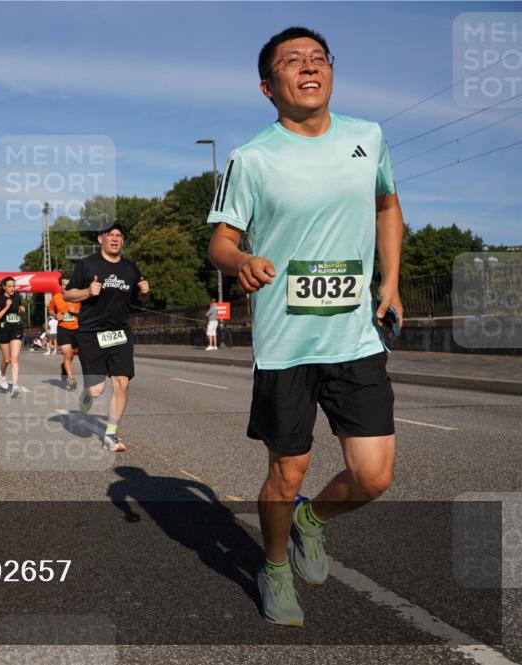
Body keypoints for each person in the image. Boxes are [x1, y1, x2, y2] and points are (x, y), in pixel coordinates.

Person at [207, 26, 403, 628]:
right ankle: (273, 566)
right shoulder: (253, 157)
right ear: (269, 87)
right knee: (286, 471)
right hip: (287, 343)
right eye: (292, 61)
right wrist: (241, 261)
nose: (309, 67)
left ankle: (310, 521)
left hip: (353, 336)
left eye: (318, 58)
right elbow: (220, 240)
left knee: (373, 476)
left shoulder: (368, 137)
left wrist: (390, 281)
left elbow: (387, 205)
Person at [64, 220, 149, 452]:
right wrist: (87, 292)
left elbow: (138, 300)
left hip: (120, 332)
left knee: (122, 383)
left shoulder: (130, 268)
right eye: (110, 234)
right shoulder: (86, 265)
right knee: (96, 390)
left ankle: (111, 434)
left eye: (119, 235)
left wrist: (144, 293)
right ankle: (86, 392)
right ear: (100, 239)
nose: (115, 238)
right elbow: (68, 294)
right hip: (92, 333)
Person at [0, 277, 25, 395]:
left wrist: (21, 308)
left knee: (14, 358)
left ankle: (15, 386)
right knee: (7, 360)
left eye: (13, 286)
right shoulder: (0, 299)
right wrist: (6, 307)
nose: (12, 288)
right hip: (4, 330)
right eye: (9, 286)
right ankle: (2, 374)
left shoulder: (17, 297)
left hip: (16, 328)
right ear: (4, 287)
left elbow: (16, 311)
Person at [49, 275, 81, 390]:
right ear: (60, 286)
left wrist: (76, 311)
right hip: (63, 329)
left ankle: (64, 367)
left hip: (77, 329)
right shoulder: (56, 297)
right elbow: (51, 310)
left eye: (69, 285)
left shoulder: (78, 296)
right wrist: (55, 315)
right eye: (64, 285)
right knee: (67, 354)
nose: (66, 287)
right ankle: (72, 379)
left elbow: (87, 311)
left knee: (71, 355)